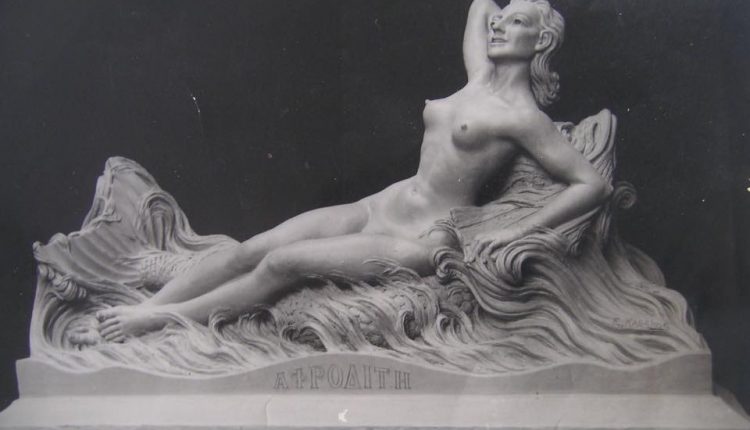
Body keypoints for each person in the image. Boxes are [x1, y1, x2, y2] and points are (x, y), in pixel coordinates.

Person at [97, 0, 612, 342]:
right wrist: (513, 10)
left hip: (418, 239)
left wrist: (515, 232)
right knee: (252, 249)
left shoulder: (524, 117)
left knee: (282, 264)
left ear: (541, 42)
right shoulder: (478, 76)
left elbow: (592, 184)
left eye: (516, 23)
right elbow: (481, 6)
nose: (499, 25)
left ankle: (154, 319)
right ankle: (151, 304)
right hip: (380, 205)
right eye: (504, 19)